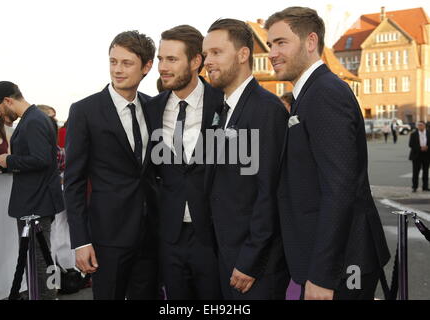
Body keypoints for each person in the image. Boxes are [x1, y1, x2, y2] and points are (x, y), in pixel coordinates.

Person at [266, 7, 390, 300]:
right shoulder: (308, 93)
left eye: (281, 42)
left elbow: (339, 190)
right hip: (332, 258)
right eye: (270, 44)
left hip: (343, 262)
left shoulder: (325, 93)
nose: (272, 53)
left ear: (310, 42)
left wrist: (323, 275)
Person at [64, 30, 159, 300]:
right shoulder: (84, 111)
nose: (117, 70)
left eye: (126, 63)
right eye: (113, 61)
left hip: (151, 234)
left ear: (147, 66)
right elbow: (74, 182)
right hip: (107, 237)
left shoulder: (154, 108)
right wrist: (81, 241)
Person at [202, 18, 290, 299]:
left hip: (254, 269)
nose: (207, 61)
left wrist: (250, 262)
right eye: (206, 54)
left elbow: (271, 194)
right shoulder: (221, 109)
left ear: (243, 55)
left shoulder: (267, 111)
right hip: (226, 257)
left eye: (216, 52)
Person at [146, 25, 222, 299]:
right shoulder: (150, 109)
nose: (162, 67)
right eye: (161, 59)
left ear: (195, 61)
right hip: (169, 235)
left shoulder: (223, 104)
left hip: (213, 236)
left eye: (172, 59)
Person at [0, 81, 64, 300]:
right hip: (36, 200)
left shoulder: (34, 121)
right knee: (39, 262)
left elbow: (42, 159)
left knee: (41, 263)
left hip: (37, 202)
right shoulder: (34, 118)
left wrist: (8, 160)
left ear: (8, 101)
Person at [409, 121, 430, 192]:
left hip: (426, 155)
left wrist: (427, 147)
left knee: (426, 172)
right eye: (419, 125)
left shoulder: (428, 133)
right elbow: (411, 144)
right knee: (415, 172)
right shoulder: (413, 134)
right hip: (416, 155)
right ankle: (414, 187)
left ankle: (425, 187)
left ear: (425, 126)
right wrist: (420, 148)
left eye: (421, 125)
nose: (420, 127)